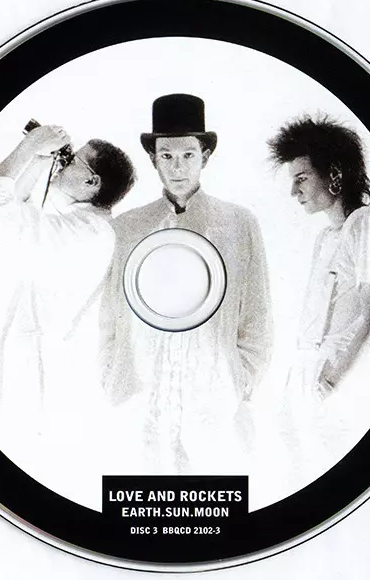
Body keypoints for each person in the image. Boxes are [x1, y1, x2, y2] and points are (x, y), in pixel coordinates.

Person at [100, 94, 273, 474]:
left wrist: (238, 380)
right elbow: (109, 315)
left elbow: (257, 313)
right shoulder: (127, 228)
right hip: (143, 393)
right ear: (153, 159)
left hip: (212, 394)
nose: (177, 166)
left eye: (188, 155)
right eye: (166, 155)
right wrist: (115, 379)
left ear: (205, 157)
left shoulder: (238, 223)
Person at [0, 122, 135, 469]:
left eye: (71, 160)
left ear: (91, 182)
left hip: (35, 377)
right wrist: (43, 160)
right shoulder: (86, 227)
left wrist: (28, 148)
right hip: (34, 366)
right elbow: (20, 205)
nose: (63, 162)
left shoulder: (88, 235)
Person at [268, 114, 370, 480]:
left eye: (302, 178)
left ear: (334, 174)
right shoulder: (327, 236)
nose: (294, 192)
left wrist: (333, 379)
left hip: (338, 377)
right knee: (295, 471)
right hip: (307, 373)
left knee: (335, 471)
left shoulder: (366, 222)